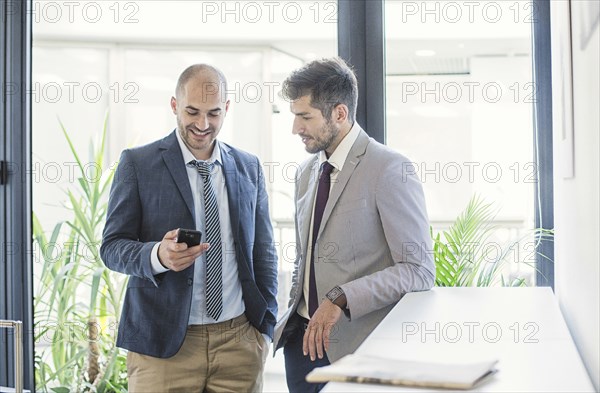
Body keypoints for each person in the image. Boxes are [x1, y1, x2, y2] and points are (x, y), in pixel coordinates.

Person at [100, 64, 278, 392]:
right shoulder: (138, 163)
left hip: (238, 344)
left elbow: (263, 251)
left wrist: (264, 327)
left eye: (213, 113)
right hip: (163, 349)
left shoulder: (248, 166)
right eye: (192, 112)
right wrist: (157, 255)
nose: (202, 124)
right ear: (174, 106)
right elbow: (111, 247)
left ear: (227, 108)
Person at [273, 57, 435, 393]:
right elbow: (305, 259)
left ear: (340, 114)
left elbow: (419, 270)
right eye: (294, 117)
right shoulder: (305, 174)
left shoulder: (389, 169)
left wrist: (340, 297)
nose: (295, 128)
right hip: (300, 346)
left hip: (356, 349)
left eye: (305, 117)